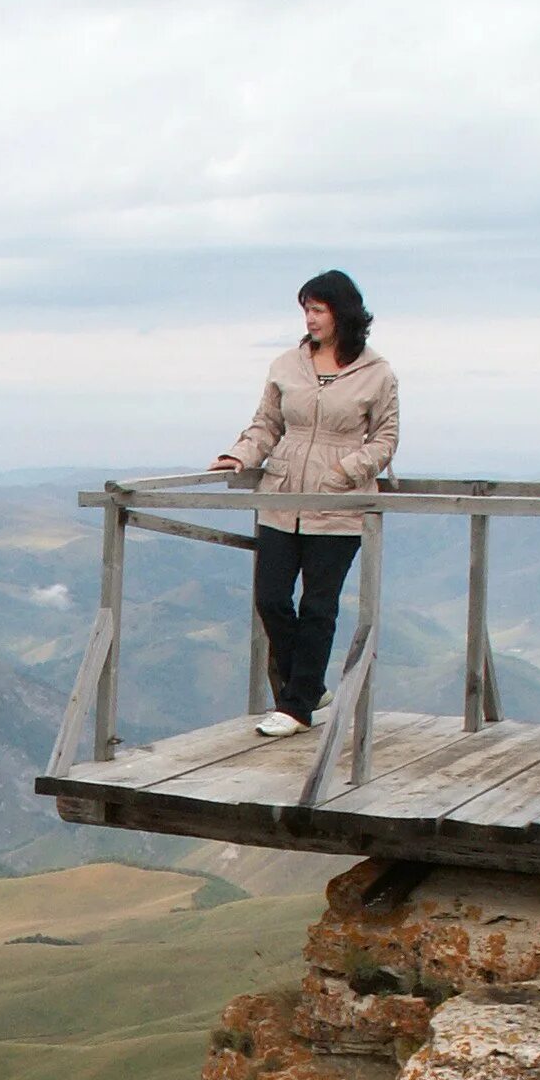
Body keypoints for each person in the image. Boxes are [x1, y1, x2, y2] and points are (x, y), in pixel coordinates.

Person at [210, 271, 399, 737]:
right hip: (282, 496)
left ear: (343, 314)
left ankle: (295, 708)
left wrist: (345, 472)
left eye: (318, 310)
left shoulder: (377, 373)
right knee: (271, 598)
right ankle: (310, 688)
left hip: (338, 506)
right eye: (306, 311)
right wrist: (241, 455)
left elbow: (386, 439)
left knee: (319, 606)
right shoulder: (286, 365)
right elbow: (266, 424)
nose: (310, 320)